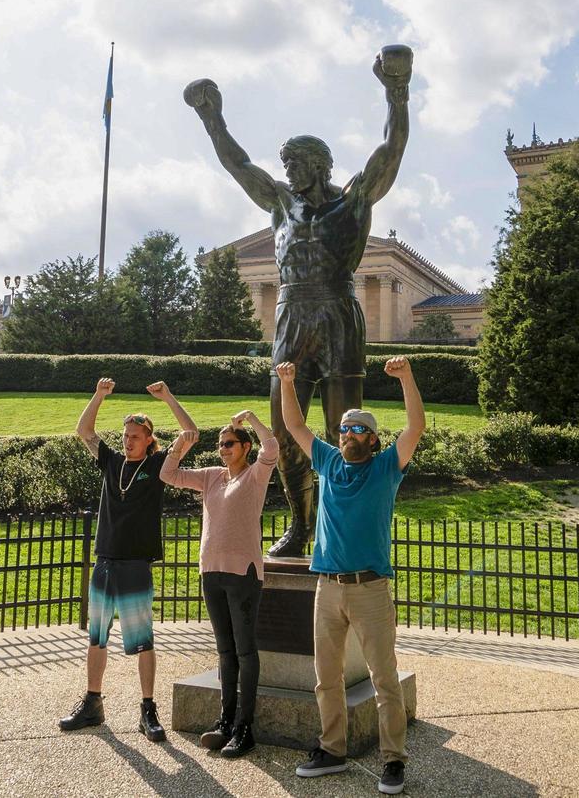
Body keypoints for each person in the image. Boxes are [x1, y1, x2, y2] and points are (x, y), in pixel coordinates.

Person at [184, 45, 414, 557]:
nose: (287, 170)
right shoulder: (281, 204)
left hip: (337, 314)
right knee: (287, 435)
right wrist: (211, 116)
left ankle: (338, 525)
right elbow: (238, 163)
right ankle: (300, 527)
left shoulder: (353, 199)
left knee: (341, 433)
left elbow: (391, 150)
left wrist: (396, 90)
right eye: (285, 162)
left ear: (319, 164)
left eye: (295, 163)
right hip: (290, 319)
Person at [278, 356, 425, 796]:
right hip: (327, 587)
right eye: (344, 428)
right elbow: (296, 427)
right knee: (326, 676)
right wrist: (287, 382)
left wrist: (407, 378)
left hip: (370, 589)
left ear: (373, 439)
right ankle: (332, 750)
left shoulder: (385, 468)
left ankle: (393, 760)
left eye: (358, 429)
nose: (348, 434)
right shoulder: (328, 462)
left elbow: (416, 427)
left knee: (383, 678)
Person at [59, 378, 198, 742]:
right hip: (105, 560)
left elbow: (190, 433)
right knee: (96, 638)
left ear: (149, 439)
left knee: (143, 641)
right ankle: (92, 703)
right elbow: (83, 431)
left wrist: (168, 397)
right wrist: (98, 396)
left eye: (135, 435)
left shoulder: (157, 468)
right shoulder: (111, 462)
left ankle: (147, 710)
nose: (127, 440)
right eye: (125, 435)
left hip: (136, 564)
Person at [159, 408, 279, 759]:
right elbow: (169, 474)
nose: (223, 449)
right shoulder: (211, 476)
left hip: (243, 574)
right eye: (221, 445)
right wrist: (181, 442)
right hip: (211, 571)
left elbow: (271, 447)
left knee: (244, 650)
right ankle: (226, 720)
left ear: (244, 447)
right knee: (225, 651)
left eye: (229, 444)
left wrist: (252, 420)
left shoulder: (256, 475)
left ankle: (245, 727)